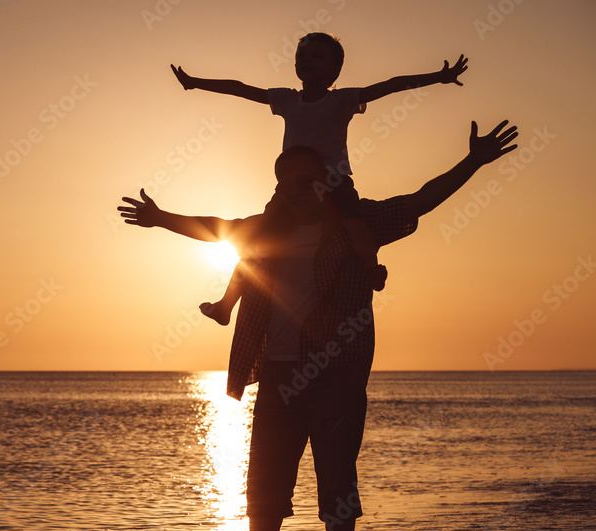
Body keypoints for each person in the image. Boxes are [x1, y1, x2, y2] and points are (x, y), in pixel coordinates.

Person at [119, 120, 518, 531]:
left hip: (336, 376)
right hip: (278, 374)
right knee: (264, 489)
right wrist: (160, 217)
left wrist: (473, 161)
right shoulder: (264, 235)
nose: (295, 189)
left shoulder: (357, 227)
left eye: (305, 179)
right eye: (285, 182)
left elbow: (419, 201)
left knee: (337, 485)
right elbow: (214, 228)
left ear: (325, 180)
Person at [171, 32, 468, 325]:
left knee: (354, 224)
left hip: (333, 180)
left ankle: (371, 268)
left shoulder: (341, 100)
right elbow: (240, 88)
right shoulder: (286, 99)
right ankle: (226, 305)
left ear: (334, 70)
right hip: (291, 187)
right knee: (258, 242)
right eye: (301, 55)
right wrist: (196, 83)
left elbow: (392, 86)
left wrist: (437, 77)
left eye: (316, 56)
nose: (306, 60)